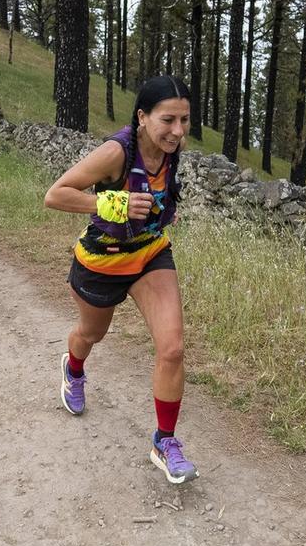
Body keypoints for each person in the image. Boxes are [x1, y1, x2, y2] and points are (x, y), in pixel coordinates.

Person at [43, 75, 198, 484]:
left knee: (173, 348)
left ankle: (164, 442)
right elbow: (55, 195)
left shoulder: (171, 149)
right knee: (92, 334)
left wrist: (163, 211)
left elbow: (157, 193)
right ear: (143, 117)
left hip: (149, 253)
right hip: (103, 260)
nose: (178, 131)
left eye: (184, 120)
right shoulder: (115, 152)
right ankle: (74, 369)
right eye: (168, 120)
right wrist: (113, 202)